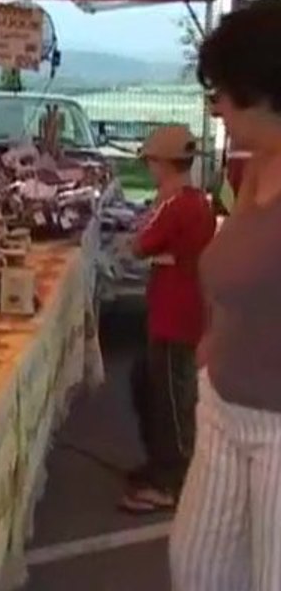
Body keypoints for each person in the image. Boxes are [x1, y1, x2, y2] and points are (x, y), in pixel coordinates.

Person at [169, 0, 281, 591]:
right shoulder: (257, 165)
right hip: (223, 407)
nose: (216, 110)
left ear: (261, 95)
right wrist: (213, 342)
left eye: (222, 94)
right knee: (199, 571)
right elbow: (235, 271)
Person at [120, 124, 215, 514]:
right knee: (153, 386)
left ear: (162, 164)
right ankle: (162, 465)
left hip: (175, 318)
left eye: (151, 163)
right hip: (177, 312)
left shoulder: (177, 206)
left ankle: (173, 481)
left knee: (173, 401)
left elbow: (139, 246)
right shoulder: (193, 202)